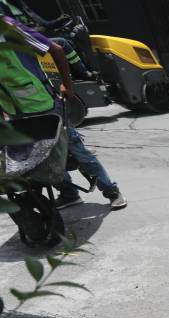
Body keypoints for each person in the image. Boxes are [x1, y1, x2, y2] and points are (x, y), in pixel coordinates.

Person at [0, 9, 126, 211]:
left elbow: (56, 49)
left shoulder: (9, 27)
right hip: (16, 114)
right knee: (41, 160)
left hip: (44, 106)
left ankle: (111, 190)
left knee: (75, 148)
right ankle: (69, 194)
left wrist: (68, 85)